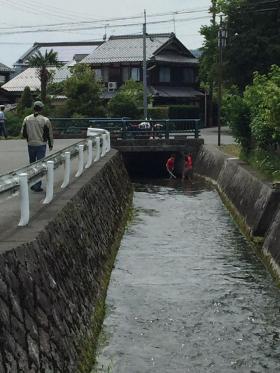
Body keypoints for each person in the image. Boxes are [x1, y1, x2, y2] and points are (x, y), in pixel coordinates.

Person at [21, 101, 53, 192]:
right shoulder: (45, 120)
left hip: (31, 144)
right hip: (41, 145)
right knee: (39, 165)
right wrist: (50, 144)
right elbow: (49, 134)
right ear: (41, 109)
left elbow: (23, 133)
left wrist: (29, 138)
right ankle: (37, 186)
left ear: (33, 108)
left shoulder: (27, 119)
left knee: (32, 165)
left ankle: (32, 184)